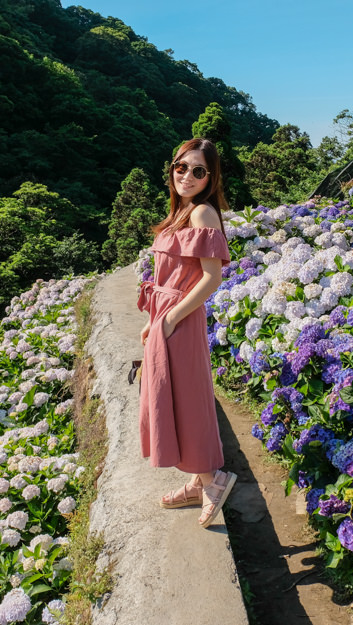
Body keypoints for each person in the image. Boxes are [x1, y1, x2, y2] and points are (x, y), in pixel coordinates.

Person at [137, 138, 238, 528]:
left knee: (187, 398)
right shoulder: (179, 214)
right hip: (166, 314)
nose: (187, 176)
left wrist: (171, 317)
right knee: (172, 397)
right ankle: (199, 479)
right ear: (172, 169)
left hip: (180, 316)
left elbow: (212, 278)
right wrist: (152, 318)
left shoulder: (202, 215)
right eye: (182, 167)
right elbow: (166, 275)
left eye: (199, 171)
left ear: (210, 178)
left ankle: (213, 481)